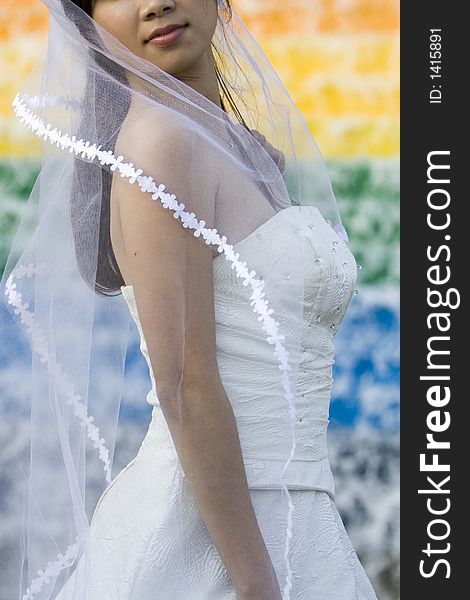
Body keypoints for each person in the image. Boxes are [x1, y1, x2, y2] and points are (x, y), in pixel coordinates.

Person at [2, 1, 379, 599]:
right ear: (89, 20)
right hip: (222, 541)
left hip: (294, 511)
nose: (154, 3)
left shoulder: (237, 145)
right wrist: (256, 583)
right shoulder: (160, 141)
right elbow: (184, 383)